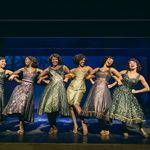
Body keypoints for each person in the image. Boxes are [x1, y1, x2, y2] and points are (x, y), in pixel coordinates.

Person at [81, 56, 122, 136]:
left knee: (104, 107)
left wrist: (112, 84)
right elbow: (88, 76)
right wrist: (92, 80)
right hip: (96, 89)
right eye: (109, 59)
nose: (110, 61)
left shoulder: (111, 69)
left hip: (104, 88)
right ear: (105, 60)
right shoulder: (97, 69)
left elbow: (120, 77)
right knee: (97, 108)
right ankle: (102, 127)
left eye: (112, 61)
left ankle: (105, 127)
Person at [110, 58, 150, 138]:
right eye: (130, 63)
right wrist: (118, 80)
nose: (131, 64)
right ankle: (124, 129)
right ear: (128, 65)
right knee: (123, 112)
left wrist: (136, 91)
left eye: (133, 62)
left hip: (130, 94)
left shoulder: (140, 76)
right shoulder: (124, 72)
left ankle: (141, 129)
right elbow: (112, 73)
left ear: (136, 64)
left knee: (136, 112)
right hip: (120, 93)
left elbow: (148, 88)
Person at [3, 56, 43, 135]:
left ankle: (22, 124)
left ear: (31, 61)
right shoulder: (22, 69)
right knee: (20, 107)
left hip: (29, 89)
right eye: (25, 60)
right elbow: (13, 74)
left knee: (24, 107)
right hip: (20, 88)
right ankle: (21, 126)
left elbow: (47, 73)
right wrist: (16, 79)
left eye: (27, 60)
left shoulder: (37, 70)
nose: (25, 61)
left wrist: (41, 79)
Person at [38, 53, 70, 134]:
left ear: (58, 60)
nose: (54, 61)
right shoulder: (48, 69)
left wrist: (66, 78)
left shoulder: (63, 67)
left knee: (55, 108)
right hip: (50, 89)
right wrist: (45, 80)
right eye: (53, 59)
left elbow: (70, 74)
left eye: (56, 59)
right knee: (49, 108)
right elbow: (39, 76)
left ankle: (54, 125)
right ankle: (51, 125)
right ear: (51, 60)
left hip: (60, 89)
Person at [65, 54, 93, 135]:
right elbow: (67, 75)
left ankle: (84, 123)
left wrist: (88, 77)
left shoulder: (87, 68)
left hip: (80, 88)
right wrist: (69, 76)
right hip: (71, 88)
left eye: (84, 60)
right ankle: (75, 125)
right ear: (78, 60)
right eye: (82, 60)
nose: (83, 61)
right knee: (71, 107)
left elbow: (94, 73)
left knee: (76, 104)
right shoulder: (73, 69)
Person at [0, 57, 18, 122]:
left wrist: (13, 75)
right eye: (2, 61)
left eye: (5, 62)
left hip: (0, 91)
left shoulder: (6, 71)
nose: (5, 63)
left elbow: (17, 74)